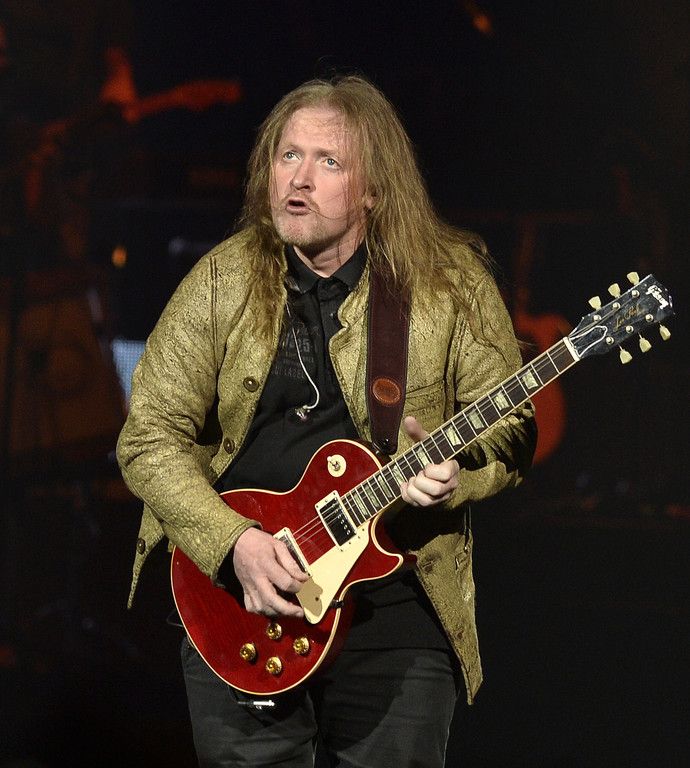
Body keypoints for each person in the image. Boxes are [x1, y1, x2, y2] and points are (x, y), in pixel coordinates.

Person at [116, 75, 536, 768]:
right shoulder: (222, 279)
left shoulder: (449, 284)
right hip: (243, 600)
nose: (298, 179)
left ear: (373, 190)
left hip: (395, 611)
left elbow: (511, 425)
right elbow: (148, 436)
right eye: (288, 155)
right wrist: (234, 543)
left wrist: (455, 475)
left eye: (328, 161)